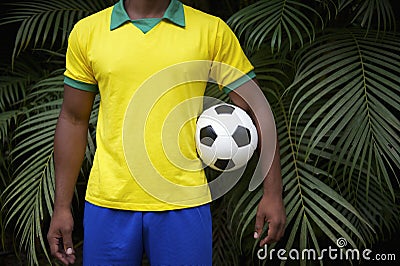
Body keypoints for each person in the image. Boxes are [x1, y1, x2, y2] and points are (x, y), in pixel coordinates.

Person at [47, 0, 286, 265]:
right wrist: (61, 207)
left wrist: (273, 193)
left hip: (184, 202)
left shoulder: (210, 30)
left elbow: (257, 108)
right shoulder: (88, 32)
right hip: (108, 202)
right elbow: (73, 119)